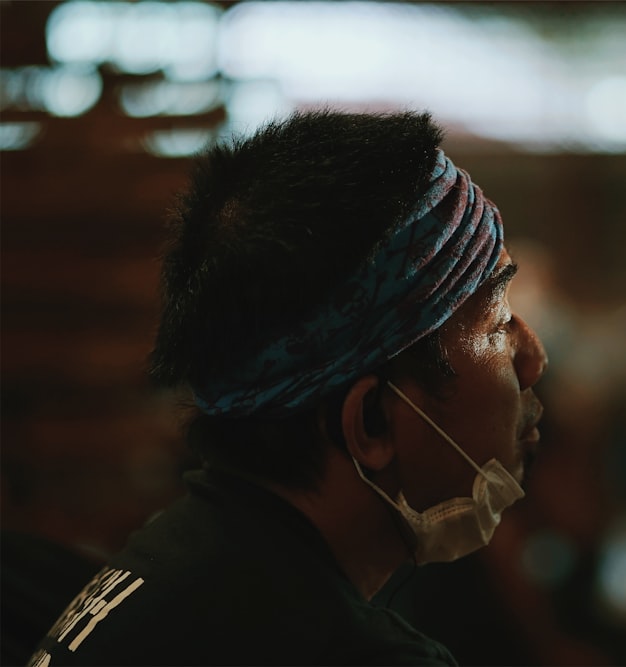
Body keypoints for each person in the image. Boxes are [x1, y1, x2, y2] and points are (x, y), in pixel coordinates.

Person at [29, 110, 548, 666]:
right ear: (371, 420)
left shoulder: (158, 570)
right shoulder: (344, 653)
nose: (533, 358)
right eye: (497, 322)